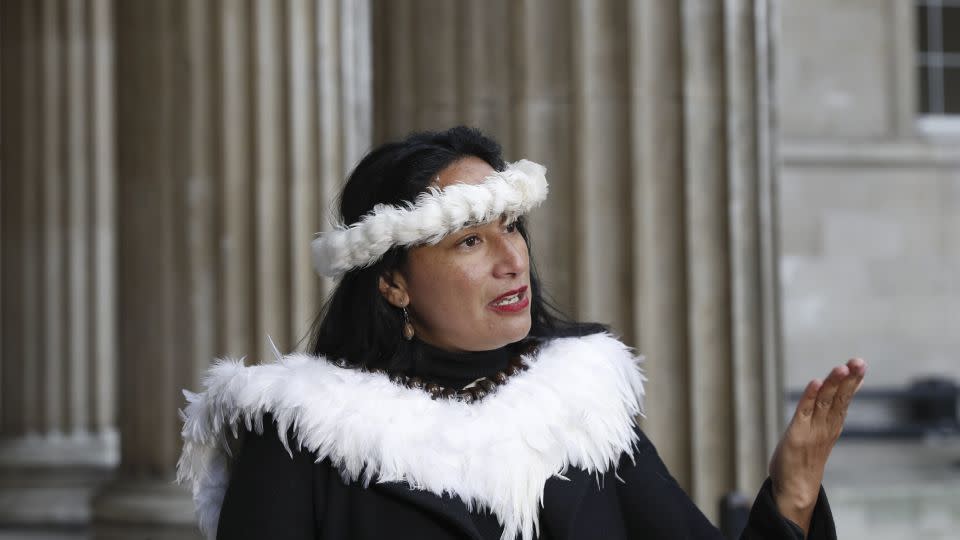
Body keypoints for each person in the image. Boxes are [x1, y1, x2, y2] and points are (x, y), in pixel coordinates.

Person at [178, 126, 867, 540]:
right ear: (392, 282)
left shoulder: (582, 408)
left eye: (511, 227)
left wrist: (793, 491)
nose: (512, 260)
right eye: (469, 241)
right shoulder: (304, 436)